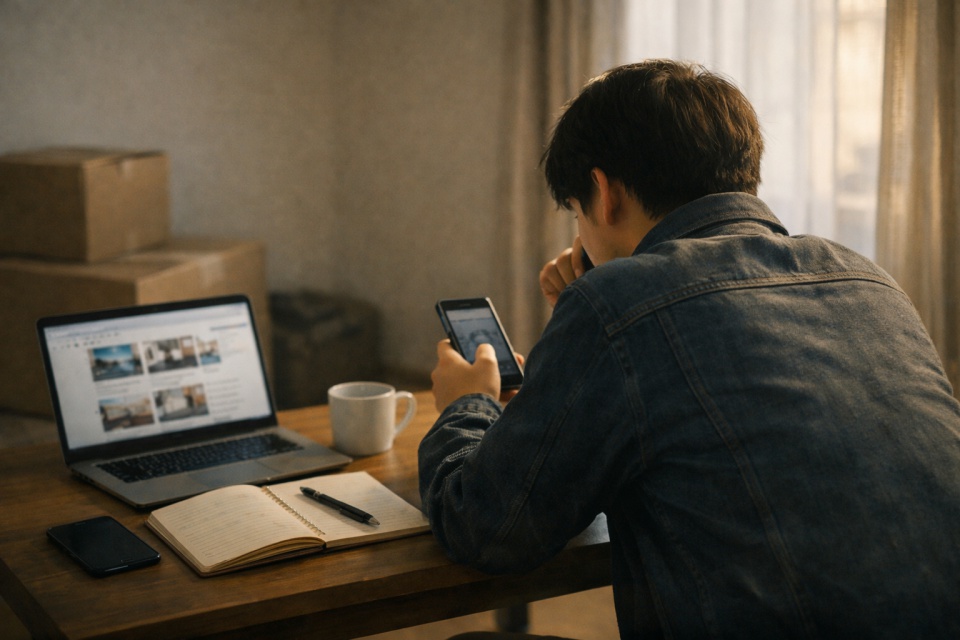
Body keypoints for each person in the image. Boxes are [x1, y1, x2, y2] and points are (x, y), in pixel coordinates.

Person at [419, 60, 960, 639]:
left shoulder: (617, 305)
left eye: (576, 215)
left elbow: (486, 527)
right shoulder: (867, 278)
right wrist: (592, 316)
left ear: (603, 194)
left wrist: (465, 406)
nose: (580, 238)